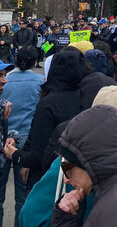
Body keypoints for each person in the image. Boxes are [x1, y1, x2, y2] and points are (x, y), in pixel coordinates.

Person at [6, 49, 85, 191]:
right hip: (76, 175)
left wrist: (16, 155)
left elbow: (38, 155)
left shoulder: (49, 103)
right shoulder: (86, 97)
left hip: (48, 178)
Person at [1, 46, 42, 227]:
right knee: (22, 197)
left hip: (3, 137)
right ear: (35, 62)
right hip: (26, 139)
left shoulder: (6, 79)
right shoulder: (39, 81)